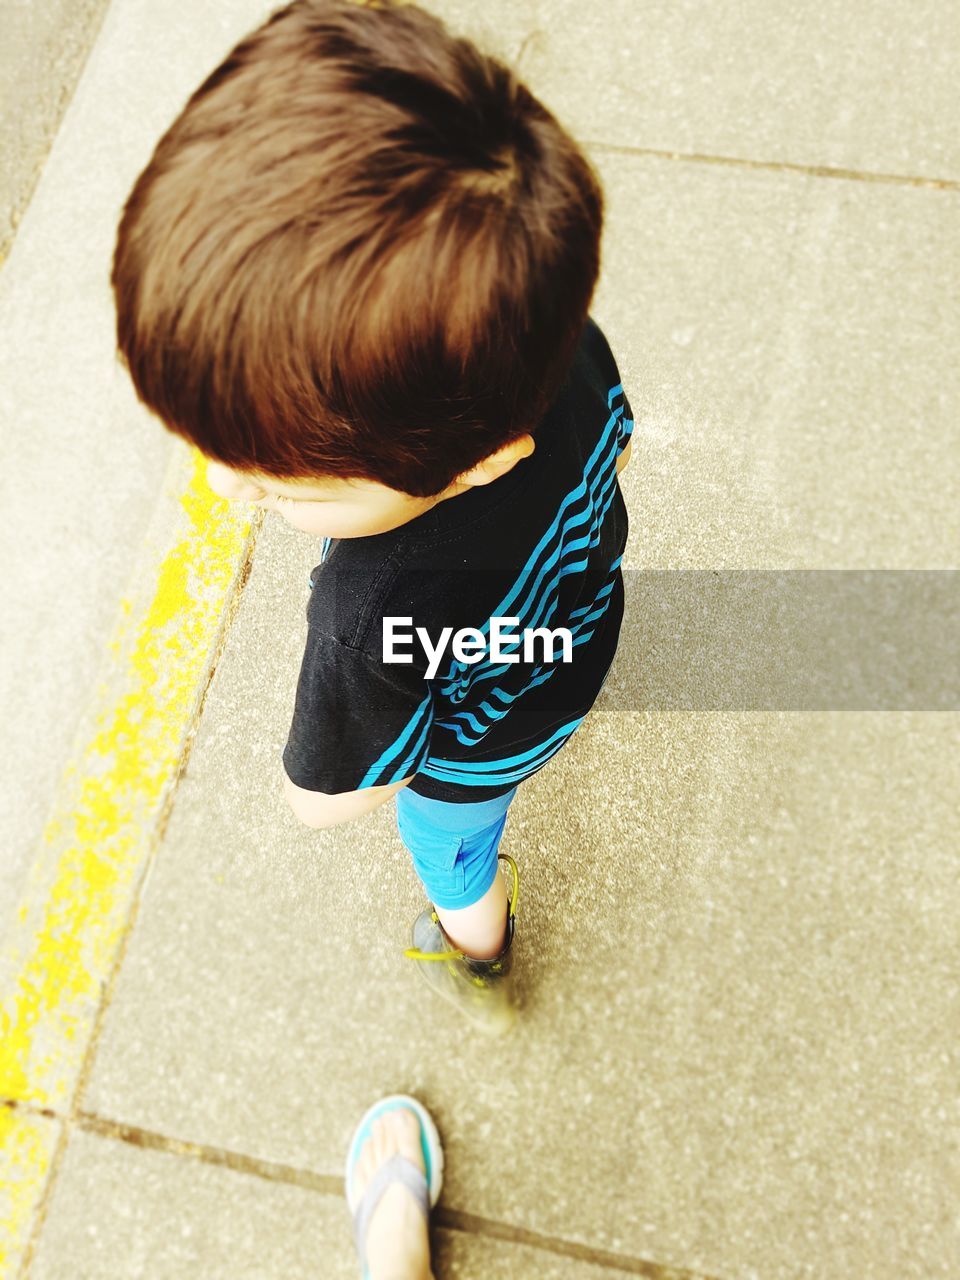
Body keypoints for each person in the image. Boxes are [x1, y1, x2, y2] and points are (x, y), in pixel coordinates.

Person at [110, 0, 634, 1034]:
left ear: (479, 461)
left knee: (456, 850)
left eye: (287, 481)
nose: (228, 487)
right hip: (584, 601)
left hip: (487, 735)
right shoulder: (547, 339)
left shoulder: (375, 604)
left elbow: (330, 796)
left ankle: (475, 950)